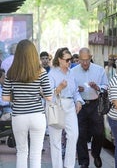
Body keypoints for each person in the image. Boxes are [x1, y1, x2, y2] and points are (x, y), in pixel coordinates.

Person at [2, 39, 52, 168]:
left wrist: (18, 97)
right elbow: (49, 97)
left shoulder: (11, 73)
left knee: (22, 152)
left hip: (19, 116)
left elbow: (6, 98)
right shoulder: (41, 72)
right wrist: (38, 92)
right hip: (37, 116)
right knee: (35, 154)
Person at [71, 47, 108, 168]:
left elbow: (106, 86)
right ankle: (83, 162)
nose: (85, 63)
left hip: (95, 104)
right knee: (80, 134)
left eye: (87, 60)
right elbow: (70, 89)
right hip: (80, 105)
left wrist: (97, 87)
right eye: (82, 60)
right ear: (78, 60)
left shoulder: (99, 70)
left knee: (98, 132)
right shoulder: (73, 71)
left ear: (91, 58)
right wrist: (77, 89)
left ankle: (96, 154)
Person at [48, 47, 84, 168]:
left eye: (71, 60)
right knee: (56, 140)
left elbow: (75, 92)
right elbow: (48, 95)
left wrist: (78, 101)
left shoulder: (71, 73)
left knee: (73, 136)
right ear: (59, 60)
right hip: (56, 106)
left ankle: (69, 165)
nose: (70, 62)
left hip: (70, 106)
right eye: (67, 60)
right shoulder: (52, 74)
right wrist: (59, 88)